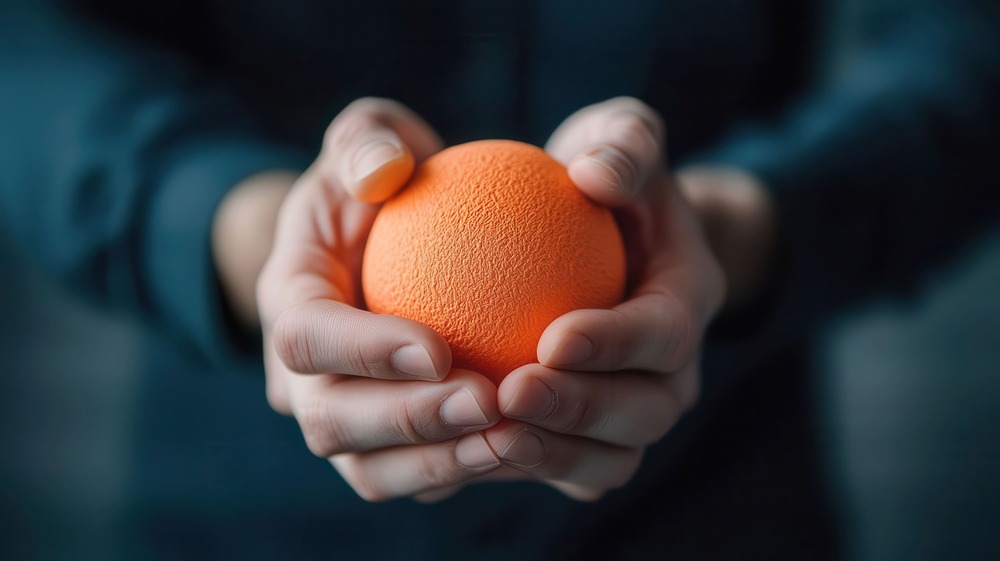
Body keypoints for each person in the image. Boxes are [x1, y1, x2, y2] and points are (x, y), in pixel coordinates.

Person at [1, 0, 998, 558]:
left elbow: (965, 50)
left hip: (705, 509)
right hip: (244, 522)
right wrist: (245, 230)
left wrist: (731, 227)